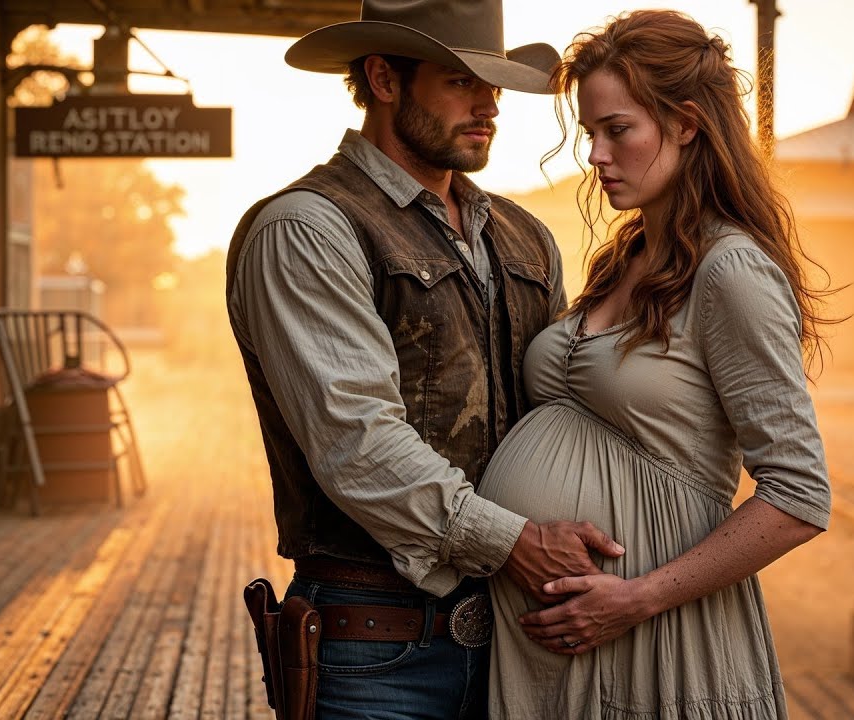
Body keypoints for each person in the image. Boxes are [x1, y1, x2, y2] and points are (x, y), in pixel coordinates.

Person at [225, 1, 625, 717]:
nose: (488, 106)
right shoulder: (307, 227)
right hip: (375, 649)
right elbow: (357, 440)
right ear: (383, 79)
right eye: (460, 82)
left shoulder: (525, 235)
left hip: (521, 630)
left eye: (493, 86)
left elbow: (566, 409)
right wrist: (516, 544)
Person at [477, 9, 835, 719]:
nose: (596, 155)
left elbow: (799, 495)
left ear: (686, 124)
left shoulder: (730, 270)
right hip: (565, 652)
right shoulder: (625, 258)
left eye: (618, 130)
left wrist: (635, 598)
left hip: (657, 638)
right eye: (591, 133)